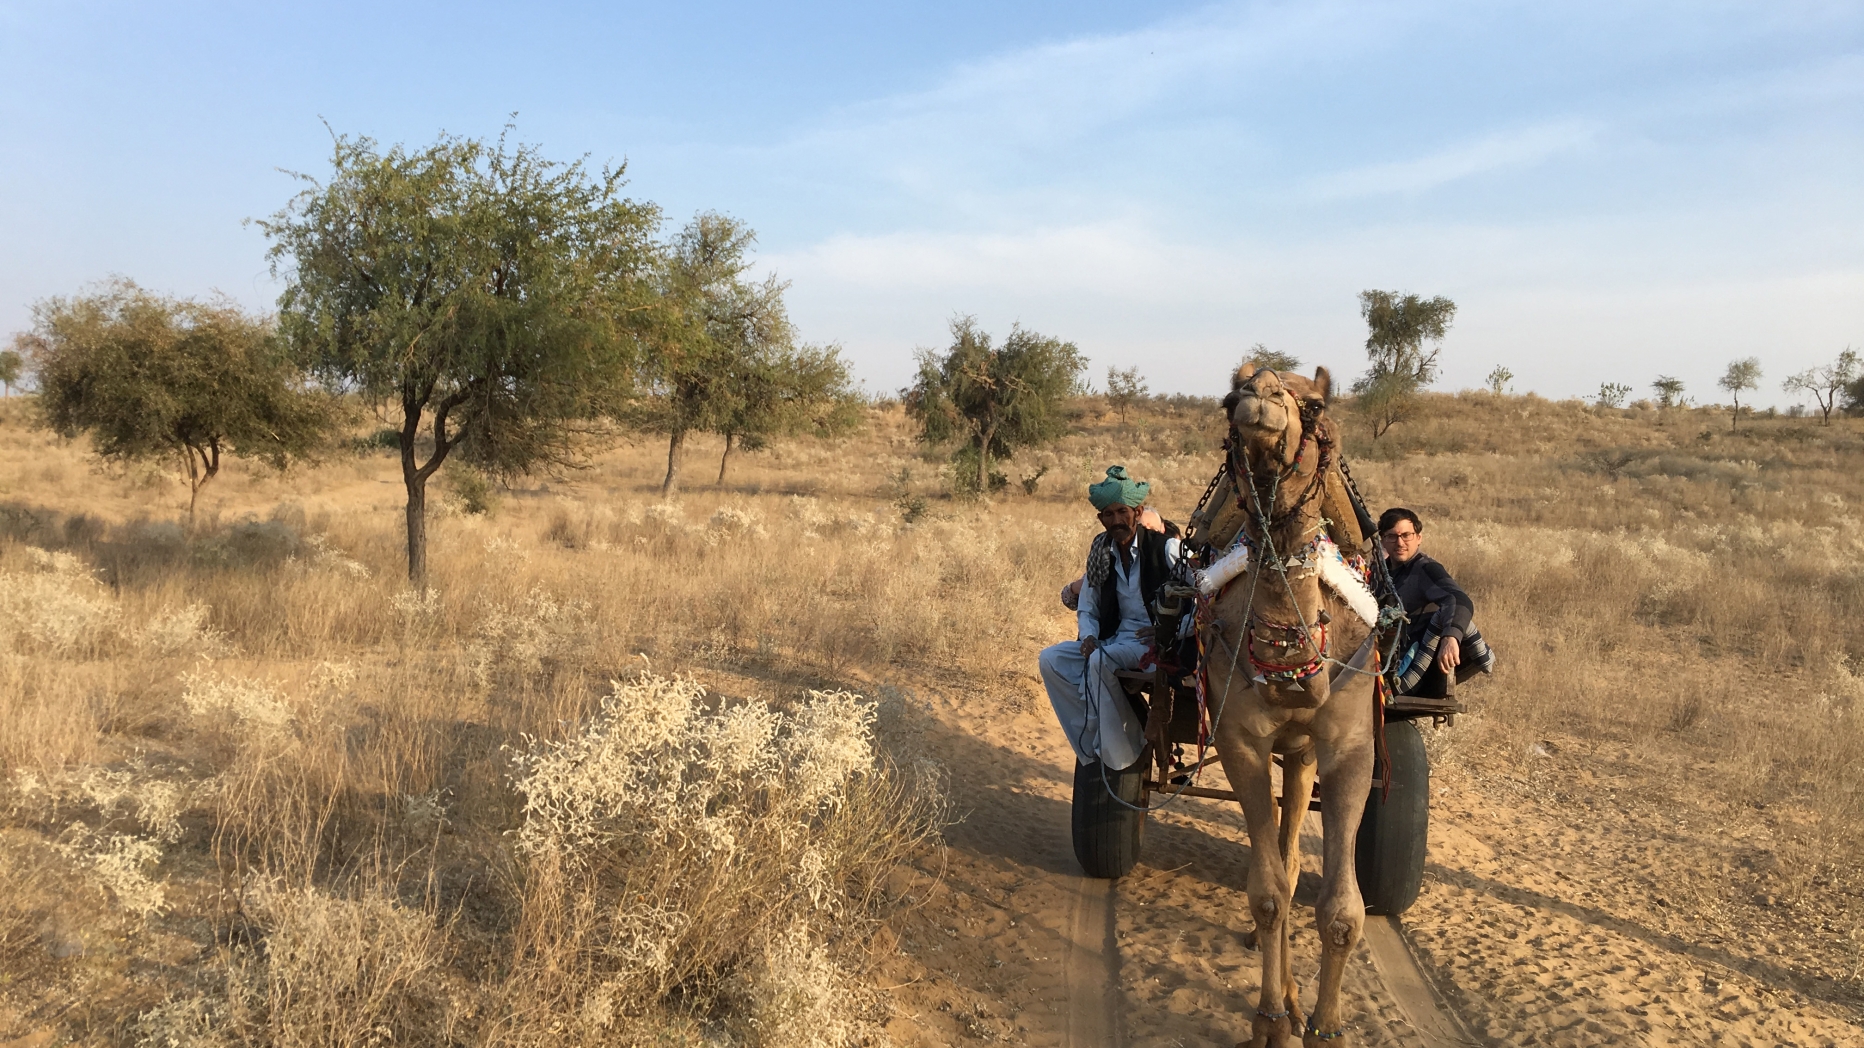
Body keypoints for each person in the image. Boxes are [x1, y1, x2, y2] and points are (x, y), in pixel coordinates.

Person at [1039, 466, 1180, 770]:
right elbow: (1087, 607)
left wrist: (1170, 631)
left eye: (1122, 512)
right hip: (1114, 640)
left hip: (1154, 645)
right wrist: (1088, 635)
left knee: (1100, 661)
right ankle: (1100, 742)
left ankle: (1120, 758)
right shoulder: (1100, 552)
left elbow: (1198, 596)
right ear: (1100, 519)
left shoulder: (1165, 548)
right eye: (1109, 514)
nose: (1116, 520)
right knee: (1051, 659)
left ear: (1137, 512)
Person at [1379, 506, 1494, 694]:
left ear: (1418, 538)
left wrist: (1451, 637)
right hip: (1381, 660)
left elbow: (1458, 599)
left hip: (1408, 671)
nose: (1400, 542)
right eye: (1392, 536)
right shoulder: (1382, 572)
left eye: (1406, 535)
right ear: (1383, 540)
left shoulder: (1425, 569)